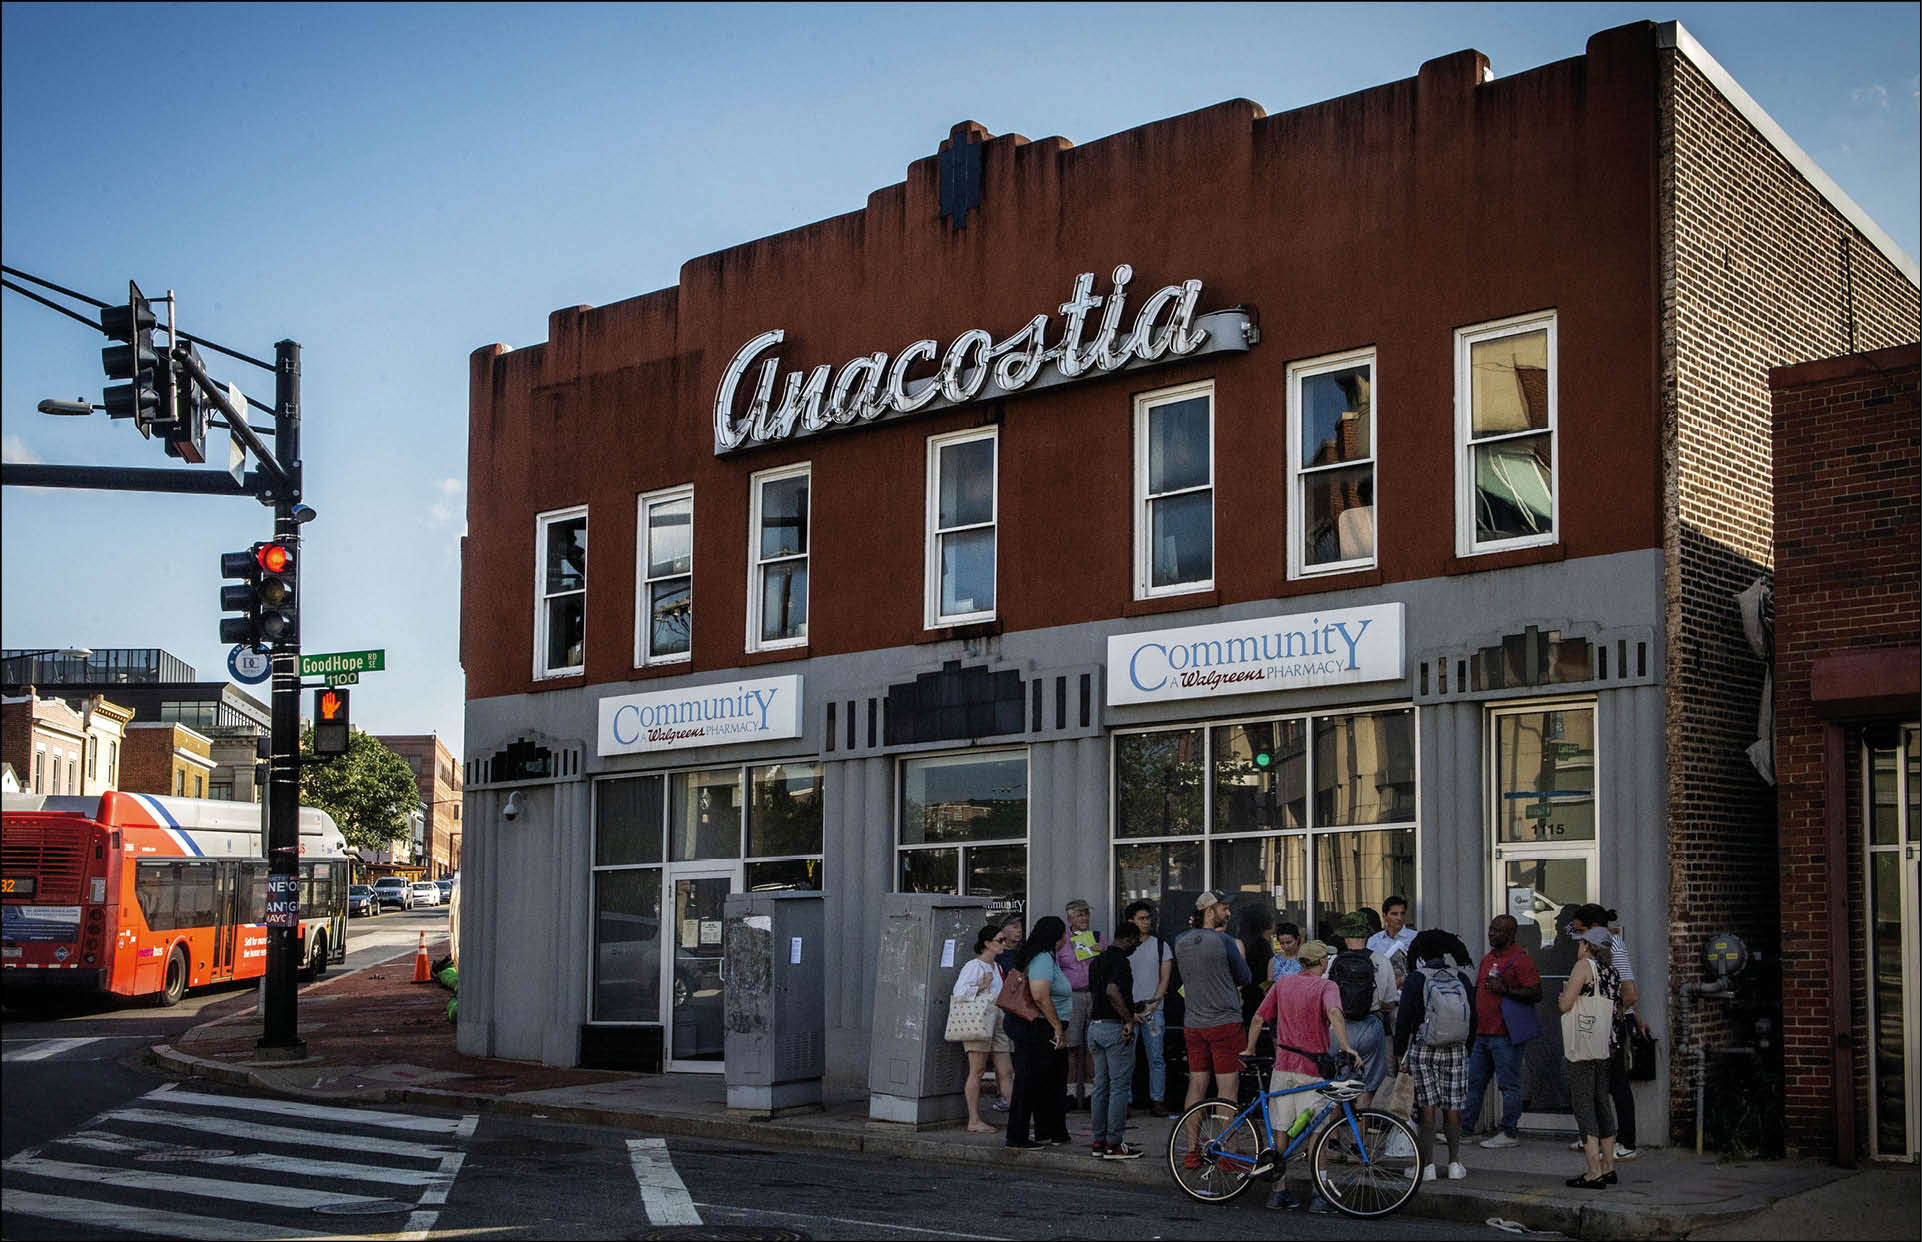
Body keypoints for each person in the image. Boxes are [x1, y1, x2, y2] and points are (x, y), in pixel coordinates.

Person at [1243, 938, 1356, 1211]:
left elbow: (1259, 1018)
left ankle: (1278, 1192)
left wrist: (1248, 1049)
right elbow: (1334, 1013)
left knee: (1282, 1129)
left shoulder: (1283, 984)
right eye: (1325, 959)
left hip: (1283, 1066)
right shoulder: (1327, 986)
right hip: (1311, 1071)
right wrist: (1346, 1046)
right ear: (1321, 962)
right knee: (1317, 1131)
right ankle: (1320, 1194)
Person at [1394, 929, 1478, 1182]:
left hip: (1424, 1048)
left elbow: (1404, 1020)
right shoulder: (1460, 977)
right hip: (1456, 1049)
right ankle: (1454, 1163)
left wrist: (1399, 1055)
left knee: (1427, 1105)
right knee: (1453, 1105)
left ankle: (1427, 1165)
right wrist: (1467, 1048)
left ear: (1420, 953)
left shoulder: (1416, 979)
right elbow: (1473, 1018)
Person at [1174, 890, 1251, 1163]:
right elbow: (1244, 976)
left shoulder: (1180, 941)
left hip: (1194, 1023)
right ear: (1209, 911)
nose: (1227, 913)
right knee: (1227, 1088)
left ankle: (1192, 1150)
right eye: (1223, 908)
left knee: (1196, 1084)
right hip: (1225, 1022)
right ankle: (1229, 1152)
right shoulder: (1225, 941)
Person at [1570, 903, 1644, 1160]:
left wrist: (1619, 1012)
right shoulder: (1601, 945)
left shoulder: (1612, 946)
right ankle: (1594, 1138)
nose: (1578, 936)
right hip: (1604, 1022)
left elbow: (1629, 990)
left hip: (1610, 1025)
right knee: (1598, 1082)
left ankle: (1626, 1142)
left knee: (1616, 1083)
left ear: (1592, 928)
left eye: (1581, 931)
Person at [1467, 914, 1541, 1148]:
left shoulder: (1522, 960)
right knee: (1473, 1082)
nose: (1492, 933)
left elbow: (1536, 993)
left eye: (1498, 930)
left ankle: (1509, 1132)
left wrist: (1506, 989)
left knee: (1508, 1085)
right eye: (1491, 928)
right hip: (1483, 1032)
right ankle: (1465, 1130)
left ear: (1511, 934)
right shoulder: (1488, 958)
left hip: (1505, 1034)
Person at [1558, 927, 1621, 1188]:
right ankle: (1609, 1167)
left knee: (1583, 1104)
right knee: (1602, 1103)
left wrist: (1562, 996)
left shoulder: (1583, 966)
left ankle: (1593, 1171)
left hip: (1584, 1044)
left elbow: (1566, 1004)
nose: (1578, 946)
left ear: (1587, 946)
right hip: (1606, 1044)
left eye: (1580, 942)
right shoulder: (1612, 972)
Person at [1004, 916, 1073, 1150]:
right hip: (1038, 1027)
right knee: (1031, 1082)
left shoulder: (1041, 956)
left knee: (1047, 1081)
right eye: (1064, 934)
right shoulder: (1043, 958)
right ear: (1057, 937)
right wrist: (1056, 1027)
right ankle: (1018, 1136)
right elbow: (1040, 995)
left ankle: (1050, 1131)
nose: (1066, 938)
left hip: (1038, 1027)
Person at [1327, 910, 1397, 1105]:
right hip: (1370, 1025)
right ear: (1367, 935)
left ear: (1346, 936)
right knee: (1367, 1085)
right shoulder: (1382, 961)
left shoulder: (1333, 961)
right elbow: (1389, 1001)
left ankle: (1333, 1134)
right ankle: (1360, 1133)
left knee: (1337, 1084)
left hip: (1339, 1028)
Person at [1086, 921, 1143, 1158]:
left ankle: (1099, 1141)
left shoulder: (1097, 961)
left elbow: (1097, 994)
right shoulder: (1121, 962)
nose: (1137, 946)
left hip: (1095, 1027)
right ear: (1128, 939)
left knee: (1101, 1087)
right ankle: (1114, 1144)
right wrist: (1129, 1019)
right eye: (1136, 942)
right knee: (1119, 1088)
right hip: (1114, 1030)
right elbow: (1112, 991)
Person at [953, 923, 1015, 1132]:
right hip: (978, 1019)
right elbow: (960, 993)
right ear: (987, 943)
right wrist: (982, 986)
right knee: (977, 1070)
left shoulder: (996, 967)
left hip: (997, 1018)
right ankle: (974, 1120)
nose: (1003, 944)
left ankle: (1018, 1118)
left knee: (1005, 1071)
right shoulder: (974, 966)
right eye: (1000, 940)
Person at [1123, 899, 1173, 1114]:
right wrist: (1129, 1011)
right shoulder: (1123, 947)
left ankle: (1157, 1099)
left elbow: (1164, 980)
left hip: (1153, 1010)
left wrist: (1152, 1006)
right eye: (1141, 919)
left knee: (1156, 1057)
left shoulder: (1161, 946)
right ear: (1130, 921)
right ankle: (1124, 1100)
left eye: (1148, 918)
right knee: (1126, 1058)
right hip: (1126, 1011)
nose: (1146, 922)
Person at [1055, 898, 1104, 1110]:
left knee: (1093, 1046)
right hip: (1072, 997)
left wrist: (1102, 951)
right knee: (1072, 1046)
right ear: (1070, 918)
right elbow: (1056, 968)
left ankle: (1093, 1094)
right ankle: (1071, 1093)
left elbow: (1108, 965)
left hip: (1093, 995)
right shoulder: (1061, 940)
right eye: (1080, 914)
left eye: (1086, 914)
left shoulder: (1098, 937)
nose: (1085, 918)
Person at [1367, 895, 1417, 962]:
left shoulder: (1415, 937)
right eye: (1394, 914)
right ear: (1384, 916)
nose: (1399, 918)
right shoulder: (1374, 940)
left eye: (1402, 913)